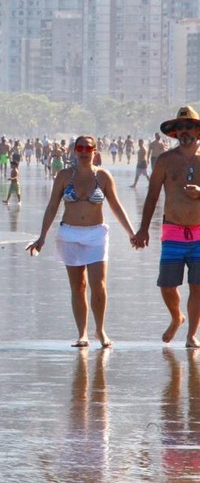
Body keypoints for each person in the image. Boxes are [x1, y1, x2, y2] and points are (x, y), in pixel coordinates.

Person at [27, 135, 135, 349]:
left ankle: (101, 330)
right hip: (70, 234)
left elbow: (116, 206)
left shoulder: (103, 176)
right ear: (74, 151)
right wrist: (42, 237)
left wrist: (132, 233)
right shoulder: (64, 176)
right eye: (80, 147)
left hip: (96, 234)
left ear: (95, 151)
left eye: (88, 148)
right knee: (78, 286)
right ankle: (82, 333)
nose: (84, 151)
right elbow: (52, 207)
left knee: (99, 285)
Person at [133, 106, 200, 347]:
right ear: (174, 132)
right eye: (179, 127)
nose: (184, 131)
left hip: (199, 233)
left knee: (197, 285)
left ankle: (192, 333)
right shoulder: (165, 160)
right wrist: (142, 230)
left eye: (188, 126)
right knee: (167, 285)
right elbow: (151, 197)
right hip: (172, 232)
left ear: (197, 130)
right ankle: (176, 317)